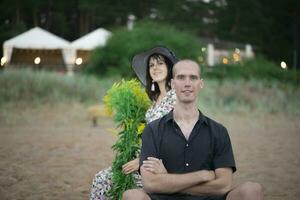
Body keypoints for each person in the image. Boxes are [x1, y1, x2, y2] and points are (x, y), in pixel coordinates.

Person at [122, 60, 263, 200]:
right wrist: (201, 176)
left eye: (193, 78)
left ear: (200, 84)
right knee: (132, 195)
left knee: (252, 189)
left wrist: (166, 180)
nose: (187, 83)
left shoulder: (218, 131)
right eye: (181, 77)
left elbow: (223, 185)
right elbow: (151, 184)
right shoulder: (153, 130)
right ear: (172, 84)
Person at [90, 46, 178, 200]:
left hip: (160, 164)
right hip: (143, 159)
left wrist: (141, 161)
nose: (155, 68)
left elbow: (175, 138)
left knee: (104, 179)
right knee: (102, 178)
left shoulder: (175, 98)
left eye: (160, 63)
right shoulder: (154, 100)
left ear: (170, 67)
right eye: (151, 65)